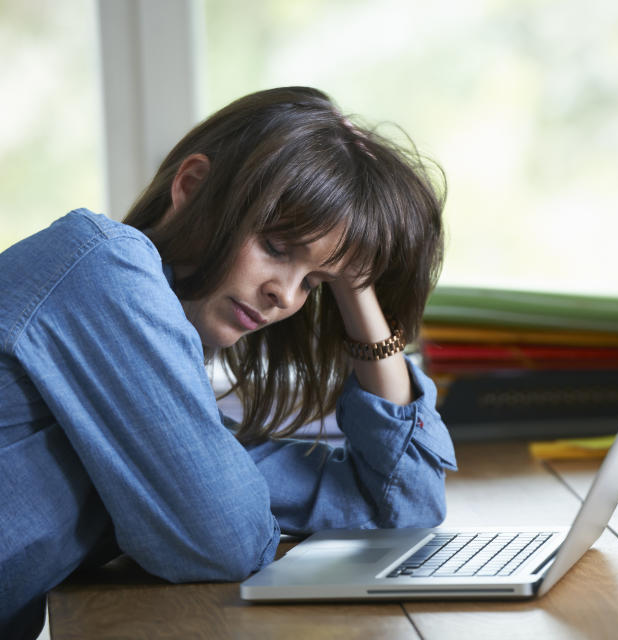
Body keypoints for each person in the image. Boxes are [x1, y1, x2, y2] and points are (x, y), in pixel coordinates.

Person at [0, 86, 457, 639]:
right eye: (278, 247)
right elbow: (224, 541)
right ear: (192, 188)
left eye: (314, 283)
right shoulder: (101, 266)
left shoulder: (157, 407)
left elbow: (401, 508)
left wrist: (355, 285)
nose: (285, 297)